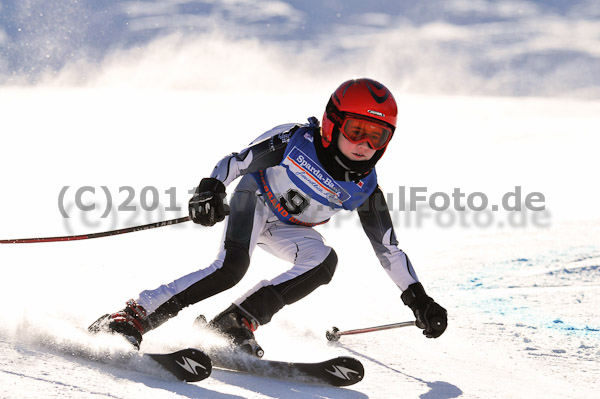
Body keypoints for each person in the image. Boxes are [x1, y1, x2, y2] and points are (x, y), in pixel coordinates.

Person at [89, 78, 448, 354]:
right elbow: (237, 162)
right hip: (254, 200)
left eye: (377, 136)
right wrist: (211, 189)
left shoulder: (366, 188)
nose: (364, 145)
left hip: (290, 228)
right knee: (230, 269)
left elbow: (389, 251)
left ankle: (234, 322)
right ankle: (134, 316)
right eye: (356, 131)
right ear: (332, 123)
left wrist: (418, 299)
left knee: (323, 261)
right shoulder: (296, 141)